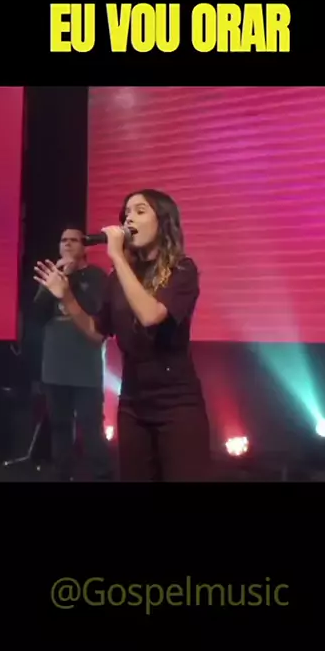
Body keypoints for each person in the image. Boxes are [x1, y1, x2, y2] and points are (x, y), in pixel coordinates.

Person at [34, 191, 212, 482]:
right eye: (126, 212)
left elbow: (151, 316)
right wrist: (66, 297)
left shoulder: (182, 270)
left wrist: (117, 256)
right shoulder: (118, 278)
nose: (129, 218)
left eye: (140, 211)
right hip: (133, 402)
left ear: (163, 221)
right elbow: (96, 332)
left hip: (177, 403)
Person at [33, 228, 113, 482]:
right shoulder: (52, 276)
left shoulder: (96, 276)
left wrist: (71, 281)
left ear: (84, 246)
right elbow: (37, 314)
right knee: (59, 424)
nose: (67, 244)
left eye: (73, 240)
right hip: (55, 364)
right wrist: (54, 281)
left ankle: (101, 475)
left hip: (85, 365)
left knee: (90, 425)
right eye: (63, 240)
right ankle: (62, 474)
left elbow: (96, 309)